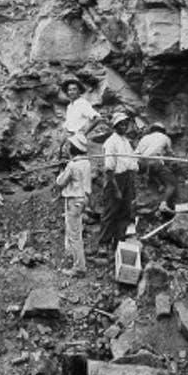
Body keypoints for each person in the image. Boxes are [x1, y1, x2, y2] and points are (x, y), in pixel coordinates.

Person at [97, 112, 138, 255]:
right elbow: (109, 169)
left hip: (127, 179)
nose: (124, 126)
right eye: (121, 124)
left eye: (125, 124)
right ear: (115, 126)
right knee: (110, 212)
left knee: (125, 211)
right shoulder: (111, 142)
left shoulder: (126, 142)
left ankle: (118, 242)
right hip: (115, 179)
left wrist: (130, 186)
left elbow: (132, 164)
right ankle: (103, 243)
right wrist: (116, 189)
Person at [56, 134, 92, 276]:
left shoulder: (73, 165)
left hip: (74, 200)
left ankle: (79, 268)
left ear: (74, 148)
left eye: (70, 146)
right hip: (83, 199)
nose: (68, 148)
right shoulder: (87, 162)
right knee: (76, 230)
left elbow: (60, 182)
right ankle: (73, 255)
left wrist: (62, 170)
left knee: (74, 234)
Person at [136, 122, 177, 213]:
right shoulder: (165, 138)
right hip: (155, 163)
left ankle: (158, 183)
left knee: (153, 169)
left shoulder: (144, 138)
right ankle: (164, 204)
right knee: (171, 184)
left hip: (141, 165)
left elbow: (137, 154)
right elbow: (170, 154)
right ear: (163, 131)